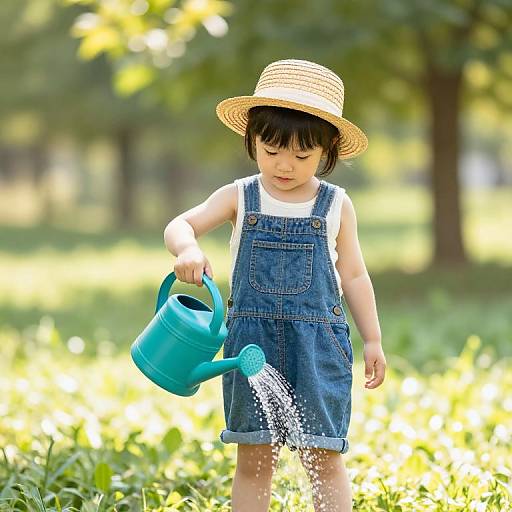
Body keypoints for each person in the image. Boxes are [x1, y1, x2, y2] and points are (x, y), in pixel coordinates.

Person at [164, 59, 387, 512]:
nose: (285, 165)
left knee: (323, 455)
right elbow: (180, 224)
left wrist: (373, 338)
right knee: (254, 459)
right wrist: (186, 249)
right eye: (271, 150)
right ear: (252, 141)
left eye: (302, 156)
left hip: (319, 346)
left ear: (327, 151)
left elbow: (355, 275)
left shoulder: (336, 205)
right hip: (252, 348)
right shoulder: (240, 197)